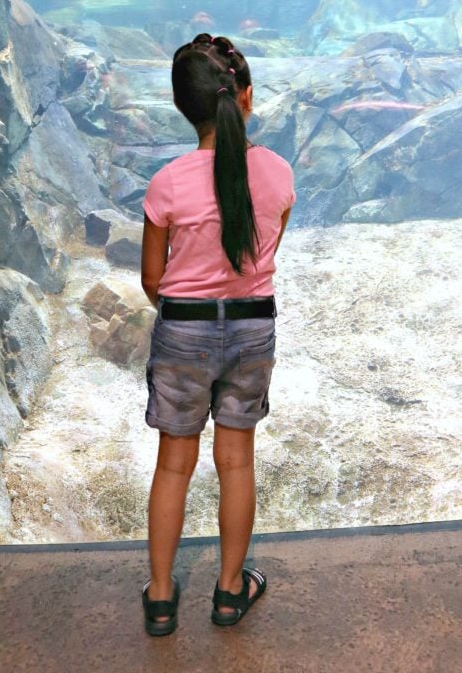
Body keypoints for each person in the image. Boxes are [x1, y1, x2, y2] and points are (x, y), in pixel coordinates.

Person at [140, 32, 295, 636]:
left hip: (183, 331)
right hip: (253, 326)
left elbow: (155, 279)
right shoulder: (278, 173)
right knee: (236, 462)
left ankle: (159, 598)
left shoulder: (168, 183)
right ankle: (229, 594)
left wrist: (187, 304)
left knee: (173, 465)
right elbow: (266, 248)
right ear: (246, 98)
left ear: (184, 106)